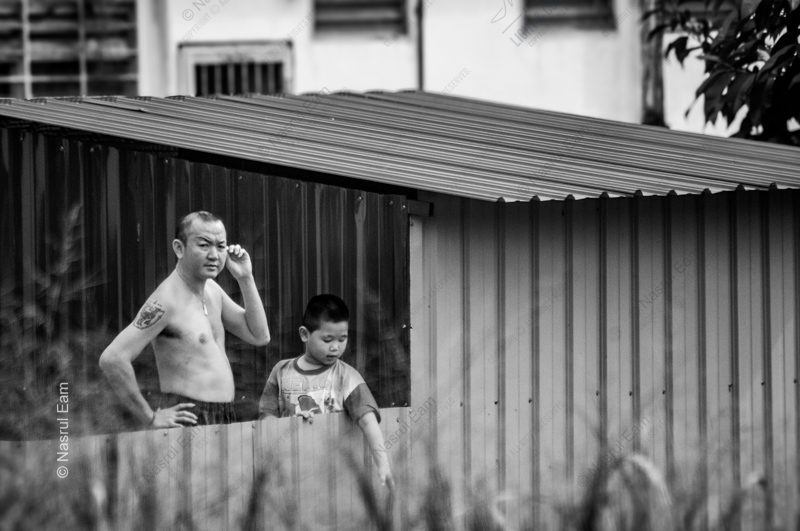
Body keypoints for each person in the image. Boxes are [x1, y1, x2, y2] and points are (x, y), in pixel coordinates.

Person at [99, 211, 270, 428]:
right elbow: (112, 358)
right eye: (204, 245)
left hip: (223, 414)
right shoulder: (165, 301)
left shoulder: (212, 290)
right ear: (179, 248)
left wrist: (245, 278)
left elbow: (259, 335)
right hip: (189, 414)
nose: (214, 255)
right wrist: (150, 417)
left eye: (220, 246)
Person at [258, 294, 393, 487]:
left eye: (342, 339)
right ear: (305, 334)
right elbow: (266, 419)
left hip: (334, 476)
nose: (336, 347)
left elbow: (368, 421)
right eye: (328, 339)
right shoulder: (281, 372)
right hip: (289, 474)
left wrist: (383, 465)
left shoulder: (347, 376)